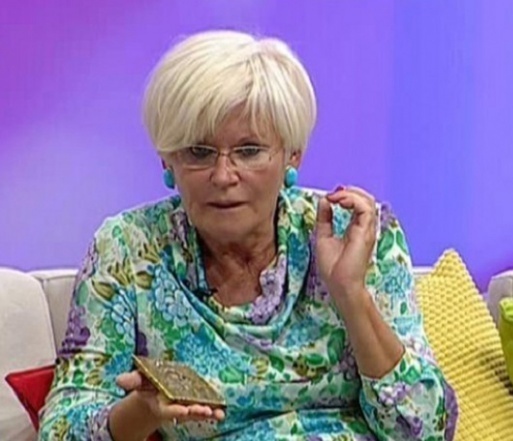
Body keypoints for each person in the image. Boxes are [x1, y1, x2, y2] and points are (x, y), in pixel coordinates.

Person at [38, 29, 458, 440]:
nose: (223, 176)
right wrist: (141, 412)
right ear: (167, 160)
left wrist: (351, 294)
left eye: (250, 150)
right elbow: (62, 428)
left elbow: (427, 429)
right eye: (199, 152)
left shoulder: (358, 234)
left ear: (292, 155)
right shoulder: (129, 248)